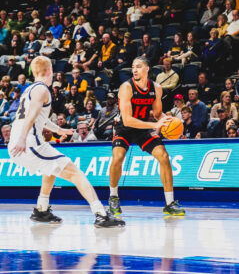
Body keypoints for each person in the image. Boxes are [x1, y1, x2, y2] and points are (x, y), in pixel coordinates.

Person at [8, 55, 124, 228]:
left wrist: (60, 130)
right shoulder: (42, 89)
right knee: (76, 173)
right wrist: (23, 138)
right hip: (28, 143)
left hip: (21, 143)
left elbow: (40, 118)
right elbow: (31, 116)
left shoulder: (29, 89)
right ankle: (100, 214)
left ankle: (41, 209)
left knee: (52, 169)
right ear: (49, 71)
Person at [109, 57, 185, 217]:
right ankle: (113, 198)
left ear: (147, 69)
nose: (134, 70)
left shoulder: (156, 88)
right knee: (118, 157)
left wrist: (168, 121)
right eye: (133, 67)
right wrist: (154, 125)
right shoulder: (126, 87)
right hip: (124, 127)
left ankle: (170, 203)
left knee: (164, 156)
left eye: (138, 67)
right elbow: (128, 120)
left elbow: (157, 114)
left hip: (143, 127)